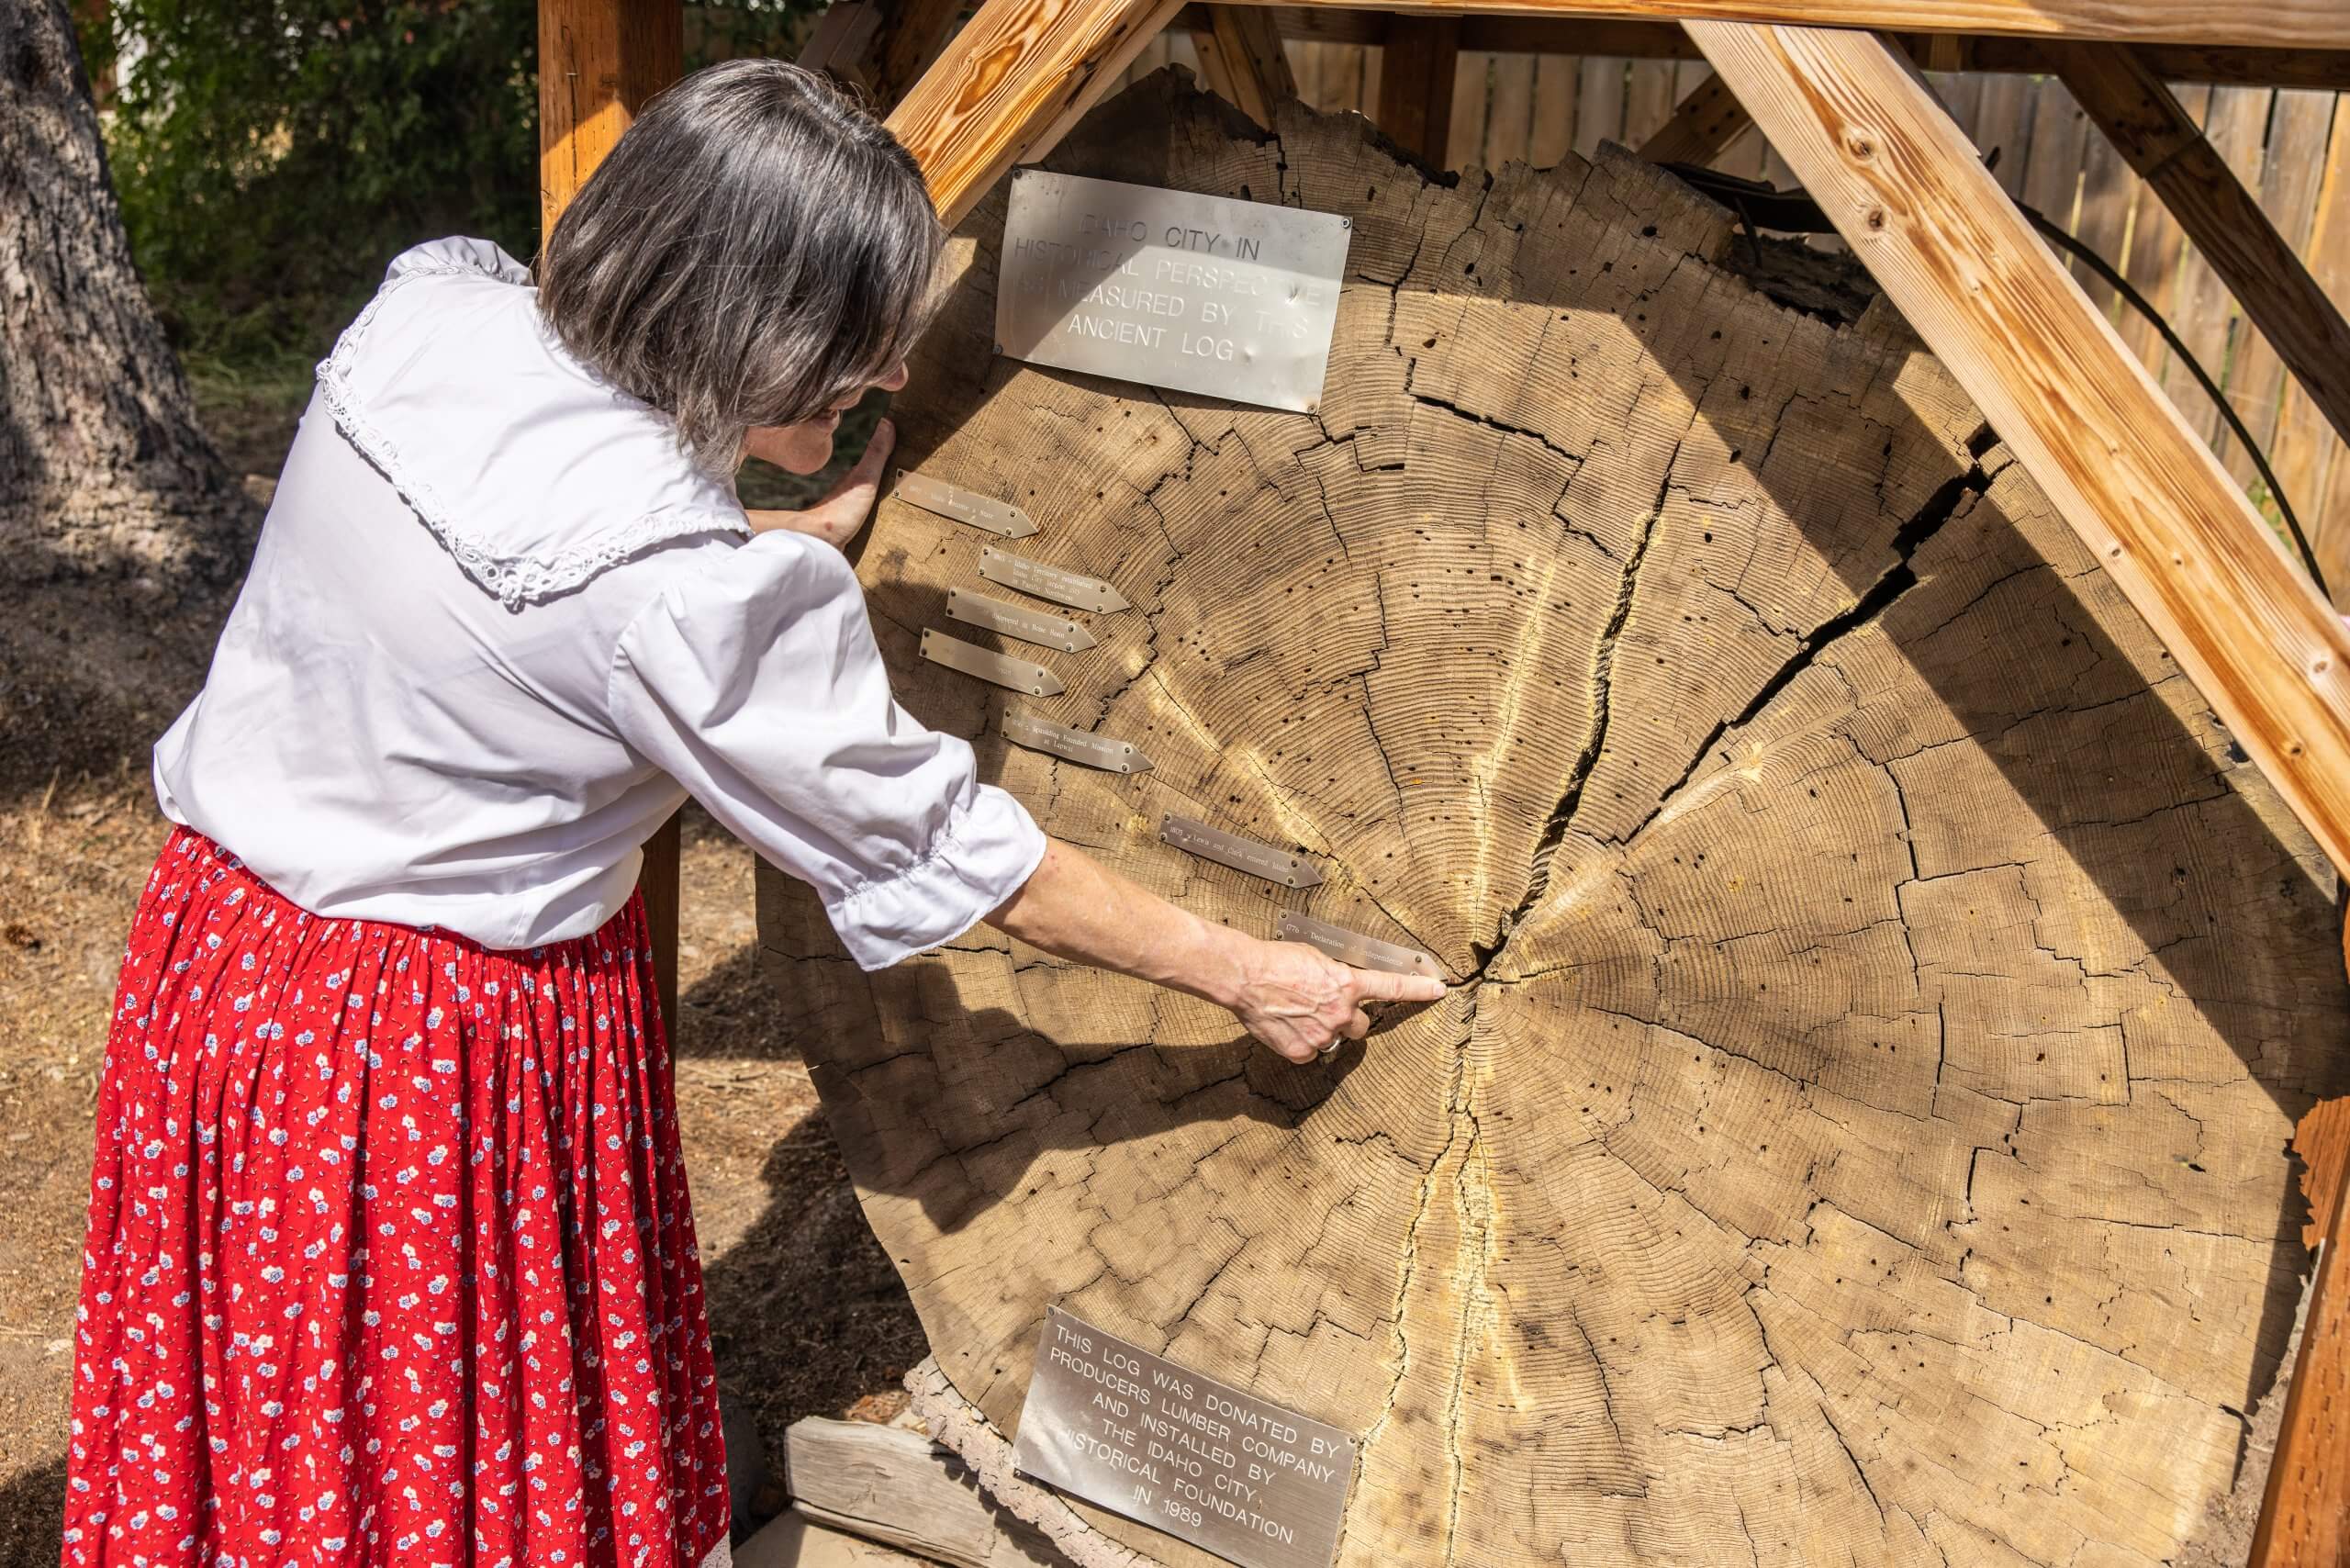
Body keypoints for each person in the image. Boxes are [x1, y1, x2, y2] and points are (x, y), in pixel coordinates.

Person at [61, 57, 1444, 1568]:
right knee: (434, 1431)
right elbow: (955, 850)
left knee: (282, 1407)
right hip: (424, 1056)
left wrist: (766, 522)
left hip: (223, 965)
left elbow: (511, 572)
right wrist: (1252, 971)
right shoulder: (680, 599)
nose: (894, 380)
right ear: (761, 336)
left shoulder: (427, 322)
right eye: (862, 349)